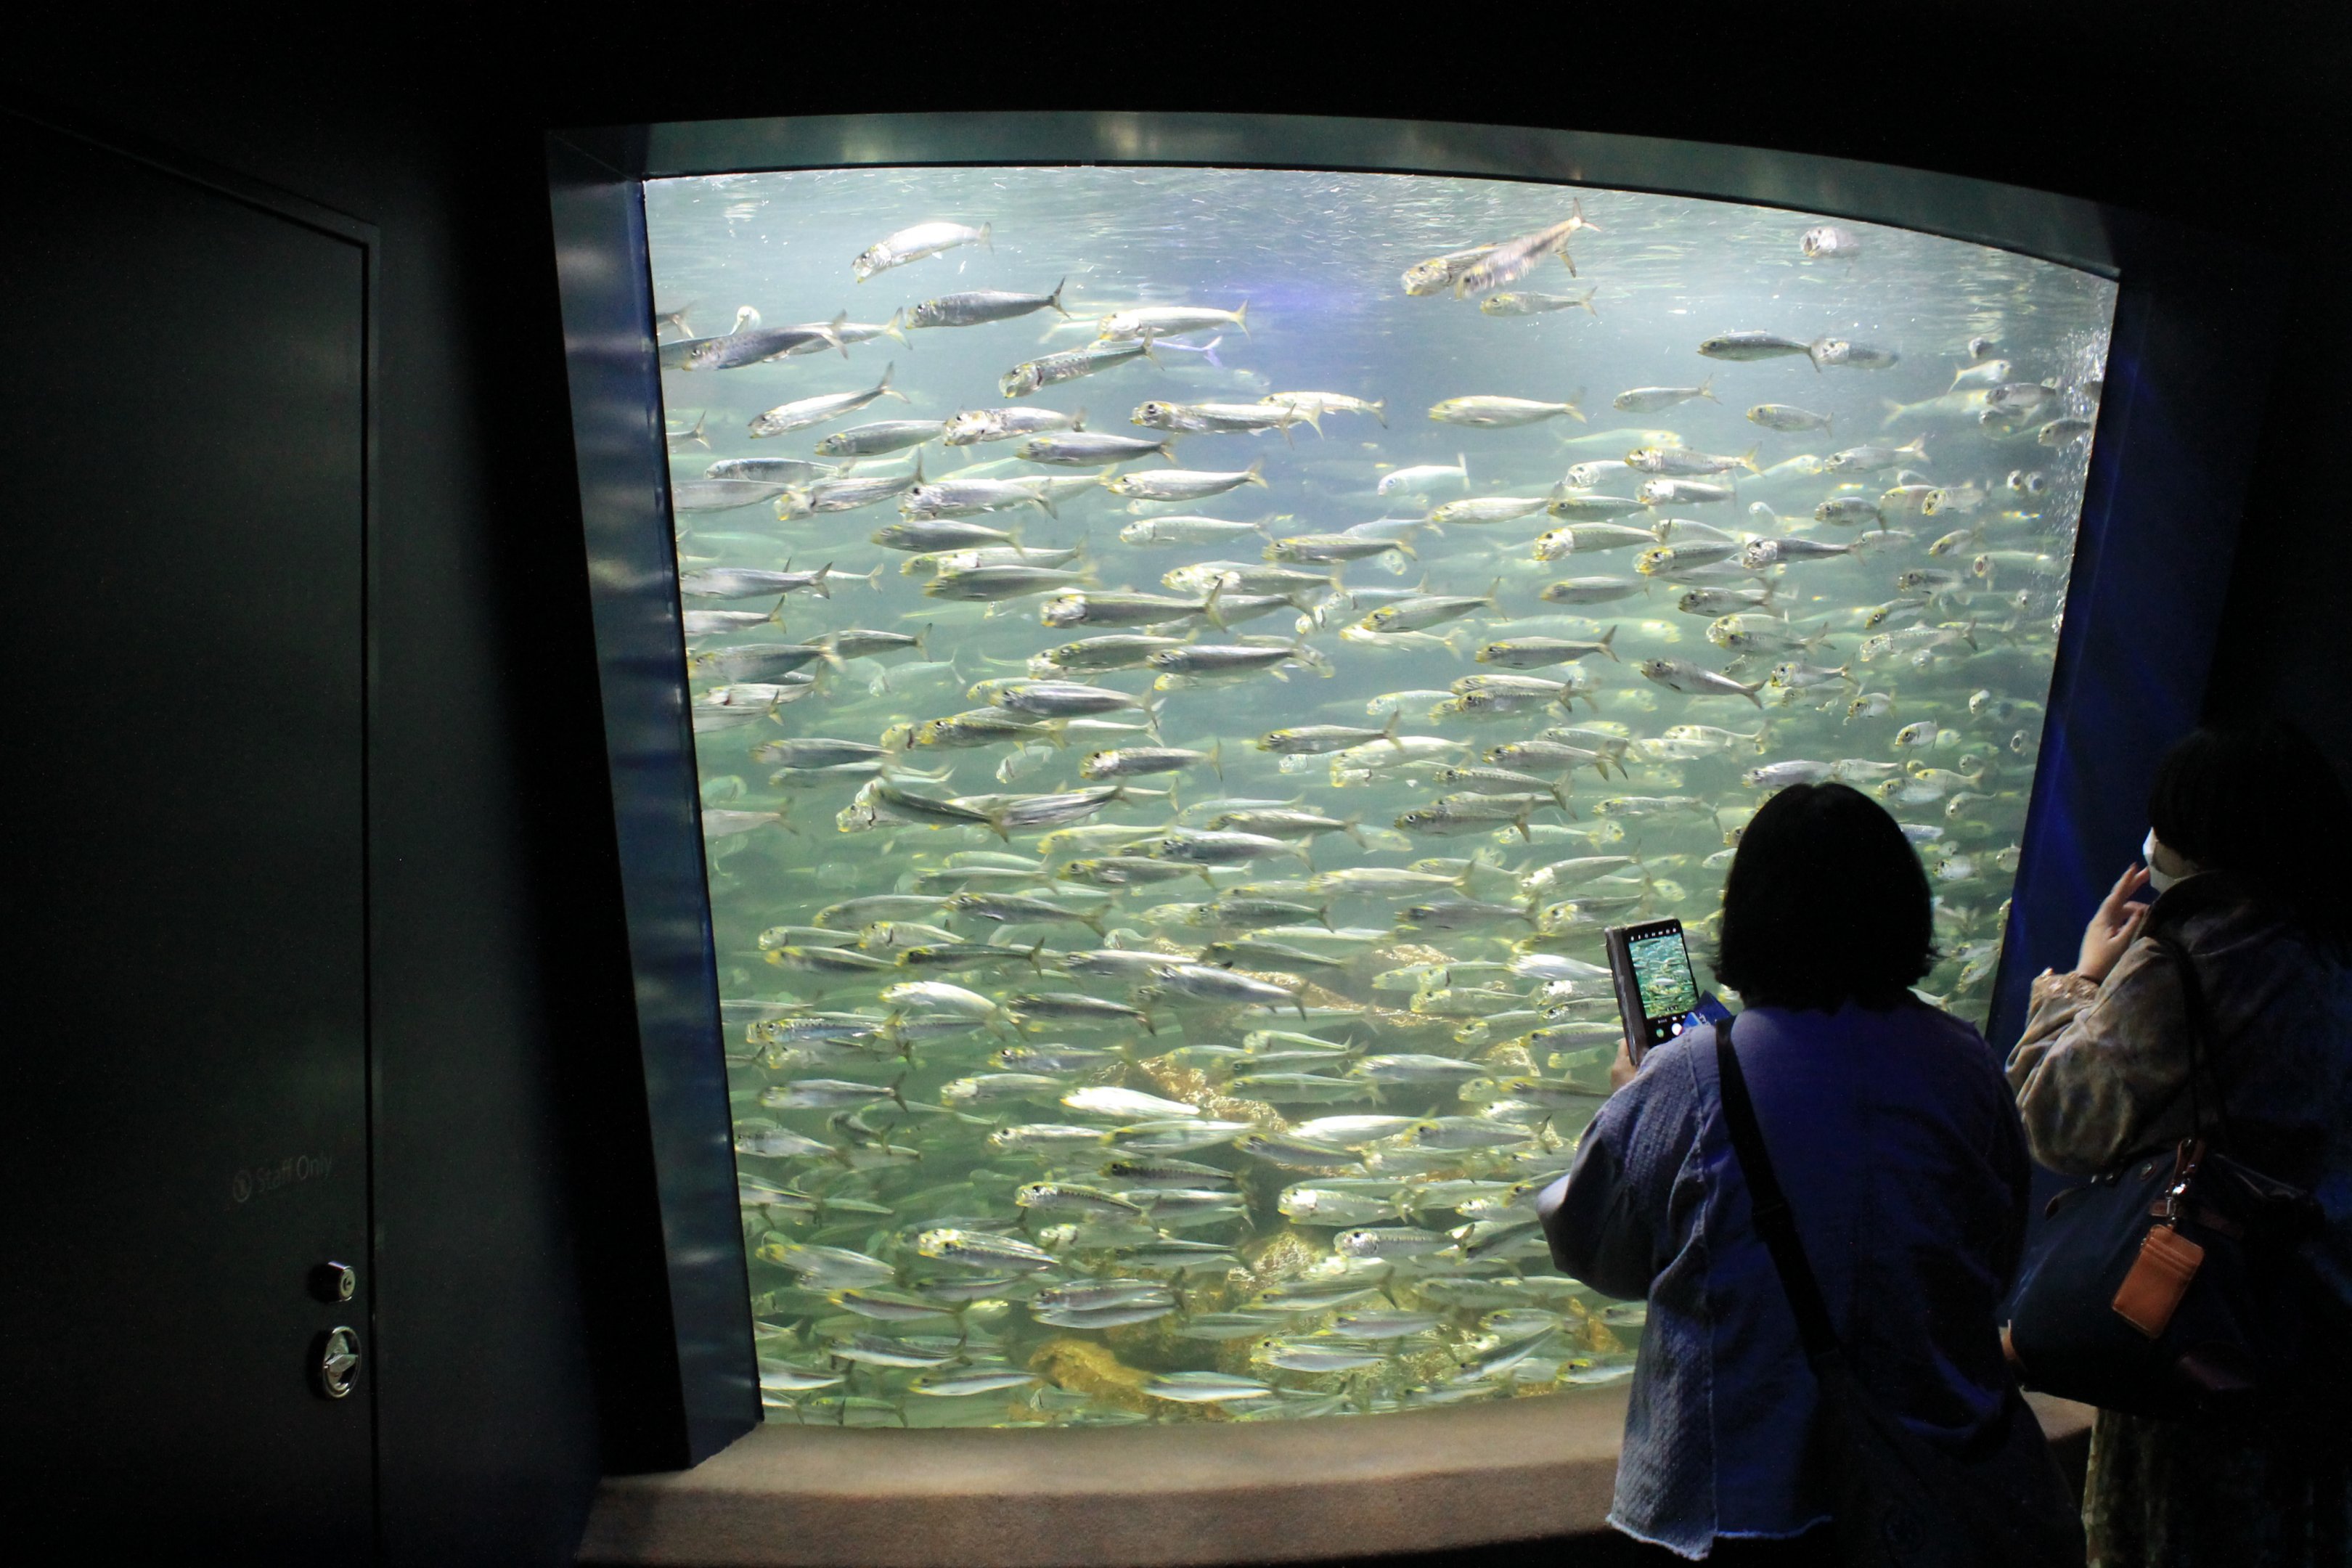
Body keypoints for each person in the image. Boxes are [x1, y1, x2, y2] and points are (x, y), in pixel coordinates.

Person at [1543, 781, 2035, 1563]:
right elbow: (1998, 1251)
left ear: (1749, 918)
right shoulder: (1968, 1063)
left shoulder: (1688, 1077)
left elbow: (1596, 1250)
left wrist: (1632, 1102)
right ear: (1905, 909)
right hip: (1938, 1484)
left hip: (1735, 1502)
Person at [2007, 718, 2352, 1567]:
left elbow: (2057, 1116)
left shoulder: (2186, 961)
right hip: (2312, 1312)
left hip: (2193, 1313)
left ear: (2201, 833)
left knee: (2176, 1528)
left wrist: (2078, 983)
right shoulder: (2326, 949)